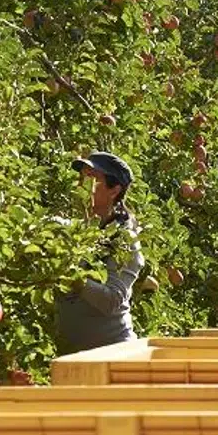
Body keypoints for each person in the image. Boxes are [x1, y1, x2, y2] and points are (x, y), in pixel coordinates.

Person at [55, 151, 144, 356]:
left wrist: (72, 277)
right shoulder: (76, 232)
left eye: (91, 179)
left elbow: (112, 300)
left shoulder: (124, 240)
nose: (81, 186)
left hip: (113, 355)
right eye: (81, 179)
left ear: (114, 190)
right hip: (73, 357)